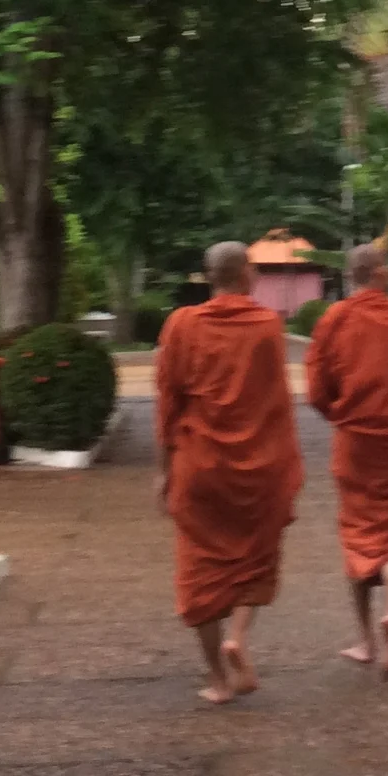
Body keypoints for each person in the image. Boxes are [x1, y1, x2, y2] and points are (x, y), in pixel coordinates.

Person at [154, 240, 304, 705]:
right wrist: (286, 463)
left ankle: (219, 678)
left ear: (209, 275)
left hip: (200, 465)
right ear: (245, 274)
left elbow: (168, 404)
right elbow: (276, 401)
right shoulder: (266, 327)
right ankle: (238, 635)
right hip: (258, 467)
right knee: (255, 557)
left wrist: (164, 471)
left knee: (198, 570)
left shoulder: (181, 324)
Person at [304, 241, 388, 678]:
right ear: (380, 273)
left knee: (358, 535)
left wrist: (342, 416)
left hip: (356, 442)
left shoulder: (335, 320)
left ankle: (365, 640)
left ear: (350, 276)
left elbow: (317, 389)